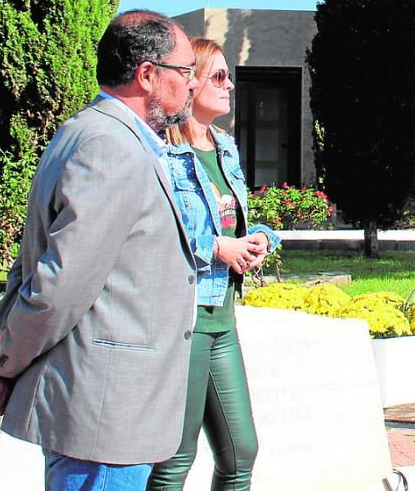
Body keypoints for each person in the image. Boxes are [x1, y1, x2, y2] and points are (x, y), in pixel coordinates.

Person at [0, 9, 201, 490]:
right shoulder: (110, 146)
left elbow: (32, 265)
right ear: (147, 75)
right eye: (185, 72)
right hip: (103, 412)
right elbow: (59, 280)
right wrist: (5, 361)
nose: (192, 85)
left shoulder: (92, 132)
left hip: (105, 406)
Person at [149, 38, 281, 490]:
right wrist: (217, 248)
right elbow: (156, 228)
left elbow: (228, 216)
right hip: (182, 318)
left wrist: (261, 236)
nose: (229, 86)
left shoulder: (225, 147)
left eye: (230, 77)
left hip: (221, 315)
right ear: (191, 83)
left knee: (241, 452)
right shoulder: (161, 152)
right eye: (219, 77)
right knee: (173, 460)